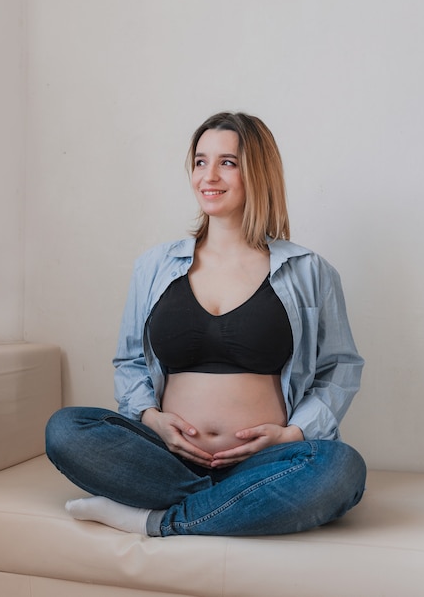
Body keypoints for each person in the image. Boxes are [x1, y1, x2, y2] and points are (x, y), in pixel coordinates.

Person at [46, 111, 366, 537]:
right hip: (164, 457)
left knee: (341, 468)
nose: (208, 176)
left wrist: (292, 435)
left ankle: (156, 519)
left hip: (265, 461)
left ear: (258, 171)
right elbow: (129, 360)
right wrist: (151, 418)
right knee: (65, 429)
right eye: (200, 161)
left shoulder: (308, 271)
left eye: (227, 162)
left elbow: (340, 367)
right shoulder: (155, 266)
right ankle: (235, 504)